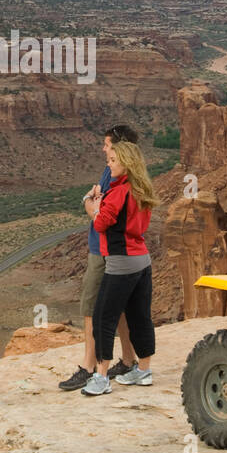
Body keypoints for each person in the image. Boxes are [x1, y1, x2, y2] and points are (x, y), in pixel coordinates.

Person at [58, 125, 141, 392]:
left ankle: (88, 368)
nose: (104, 149)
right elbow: (95, 200)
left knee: (91, 307)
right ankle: (129, 361)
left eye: (107, 145)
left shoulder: (118, 175)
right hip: (115, 250)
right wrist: (92, 199)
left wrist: (91, 203)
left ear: (120, 148)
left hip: (104, 250)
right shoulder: (118, 170)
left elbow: (98, 211)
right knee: (121, 309)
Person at [81, 137, 159, 395]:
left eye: (113, 160)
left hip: (120, 263)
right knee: (140, 316)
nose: (109, 165)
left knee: (104, 317)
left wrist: (91, 206)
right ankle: (144, 370)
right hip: (142, 261)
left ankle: (101, 378)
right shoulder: (141, 189)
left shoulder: (118, 192)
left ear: (127, 163)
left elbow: (101, 223)